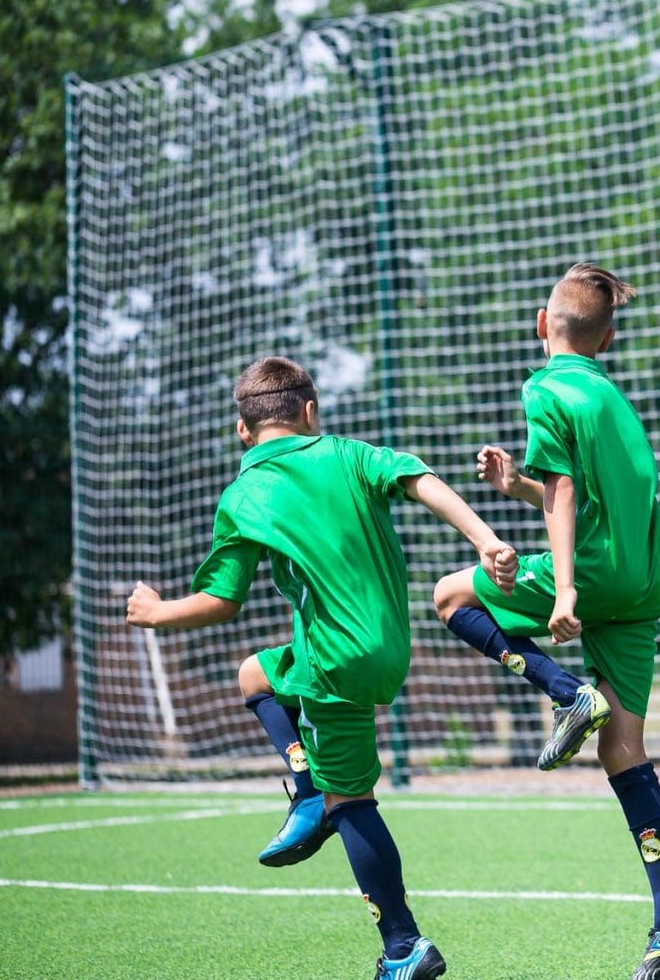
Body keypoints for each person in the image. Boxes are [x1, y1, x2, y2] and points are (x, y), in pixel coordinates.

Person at [125, 356, 517, 980]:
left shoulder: (244, 494)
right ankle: (306, 794)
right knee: (255, 673)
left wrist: (156, 612)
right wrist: (484, 538)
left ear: (242, 430)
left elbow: (222, 602)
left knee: (352, 802)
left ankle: (402, 946)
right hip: (386, 644)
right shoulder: (351, 454)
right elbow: (420, 478)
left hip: (332, 660)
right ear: (310, 413)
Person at [431, 263, 660, 980]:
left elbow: (562, 495)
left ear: (540, 325)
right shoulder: (612, 398)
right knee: (623, 749)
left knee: (450, 597)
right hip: (643, 584)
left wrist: (563, 595)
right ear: (607, 339)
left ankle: (563, 691)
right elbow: (575, 494)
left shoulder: (545, 386)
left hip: (589, 577)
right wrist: (513, 485)